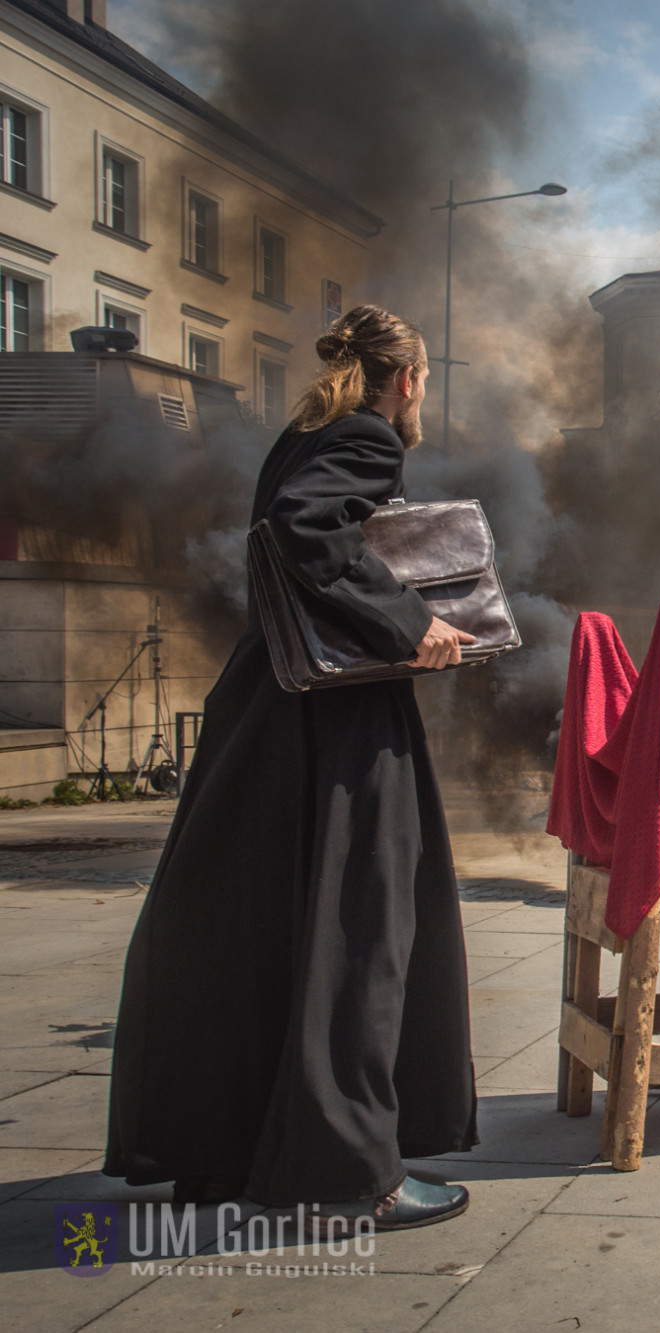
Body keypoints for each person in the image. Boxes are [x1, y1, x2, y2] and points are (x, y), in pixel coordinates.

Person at [105, 306, 478, 1230]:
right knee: (360, 930)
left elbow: (289, 524)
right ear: (410, 379)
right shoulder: (366, 436)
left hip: (272, 706)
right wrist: (411, 623)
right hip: (337, 721)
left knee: (274, 927)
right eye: (424, 379)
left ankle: (245, 1153)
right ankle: (351, 1174)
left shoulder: (302, 433)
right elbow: (306, 529)